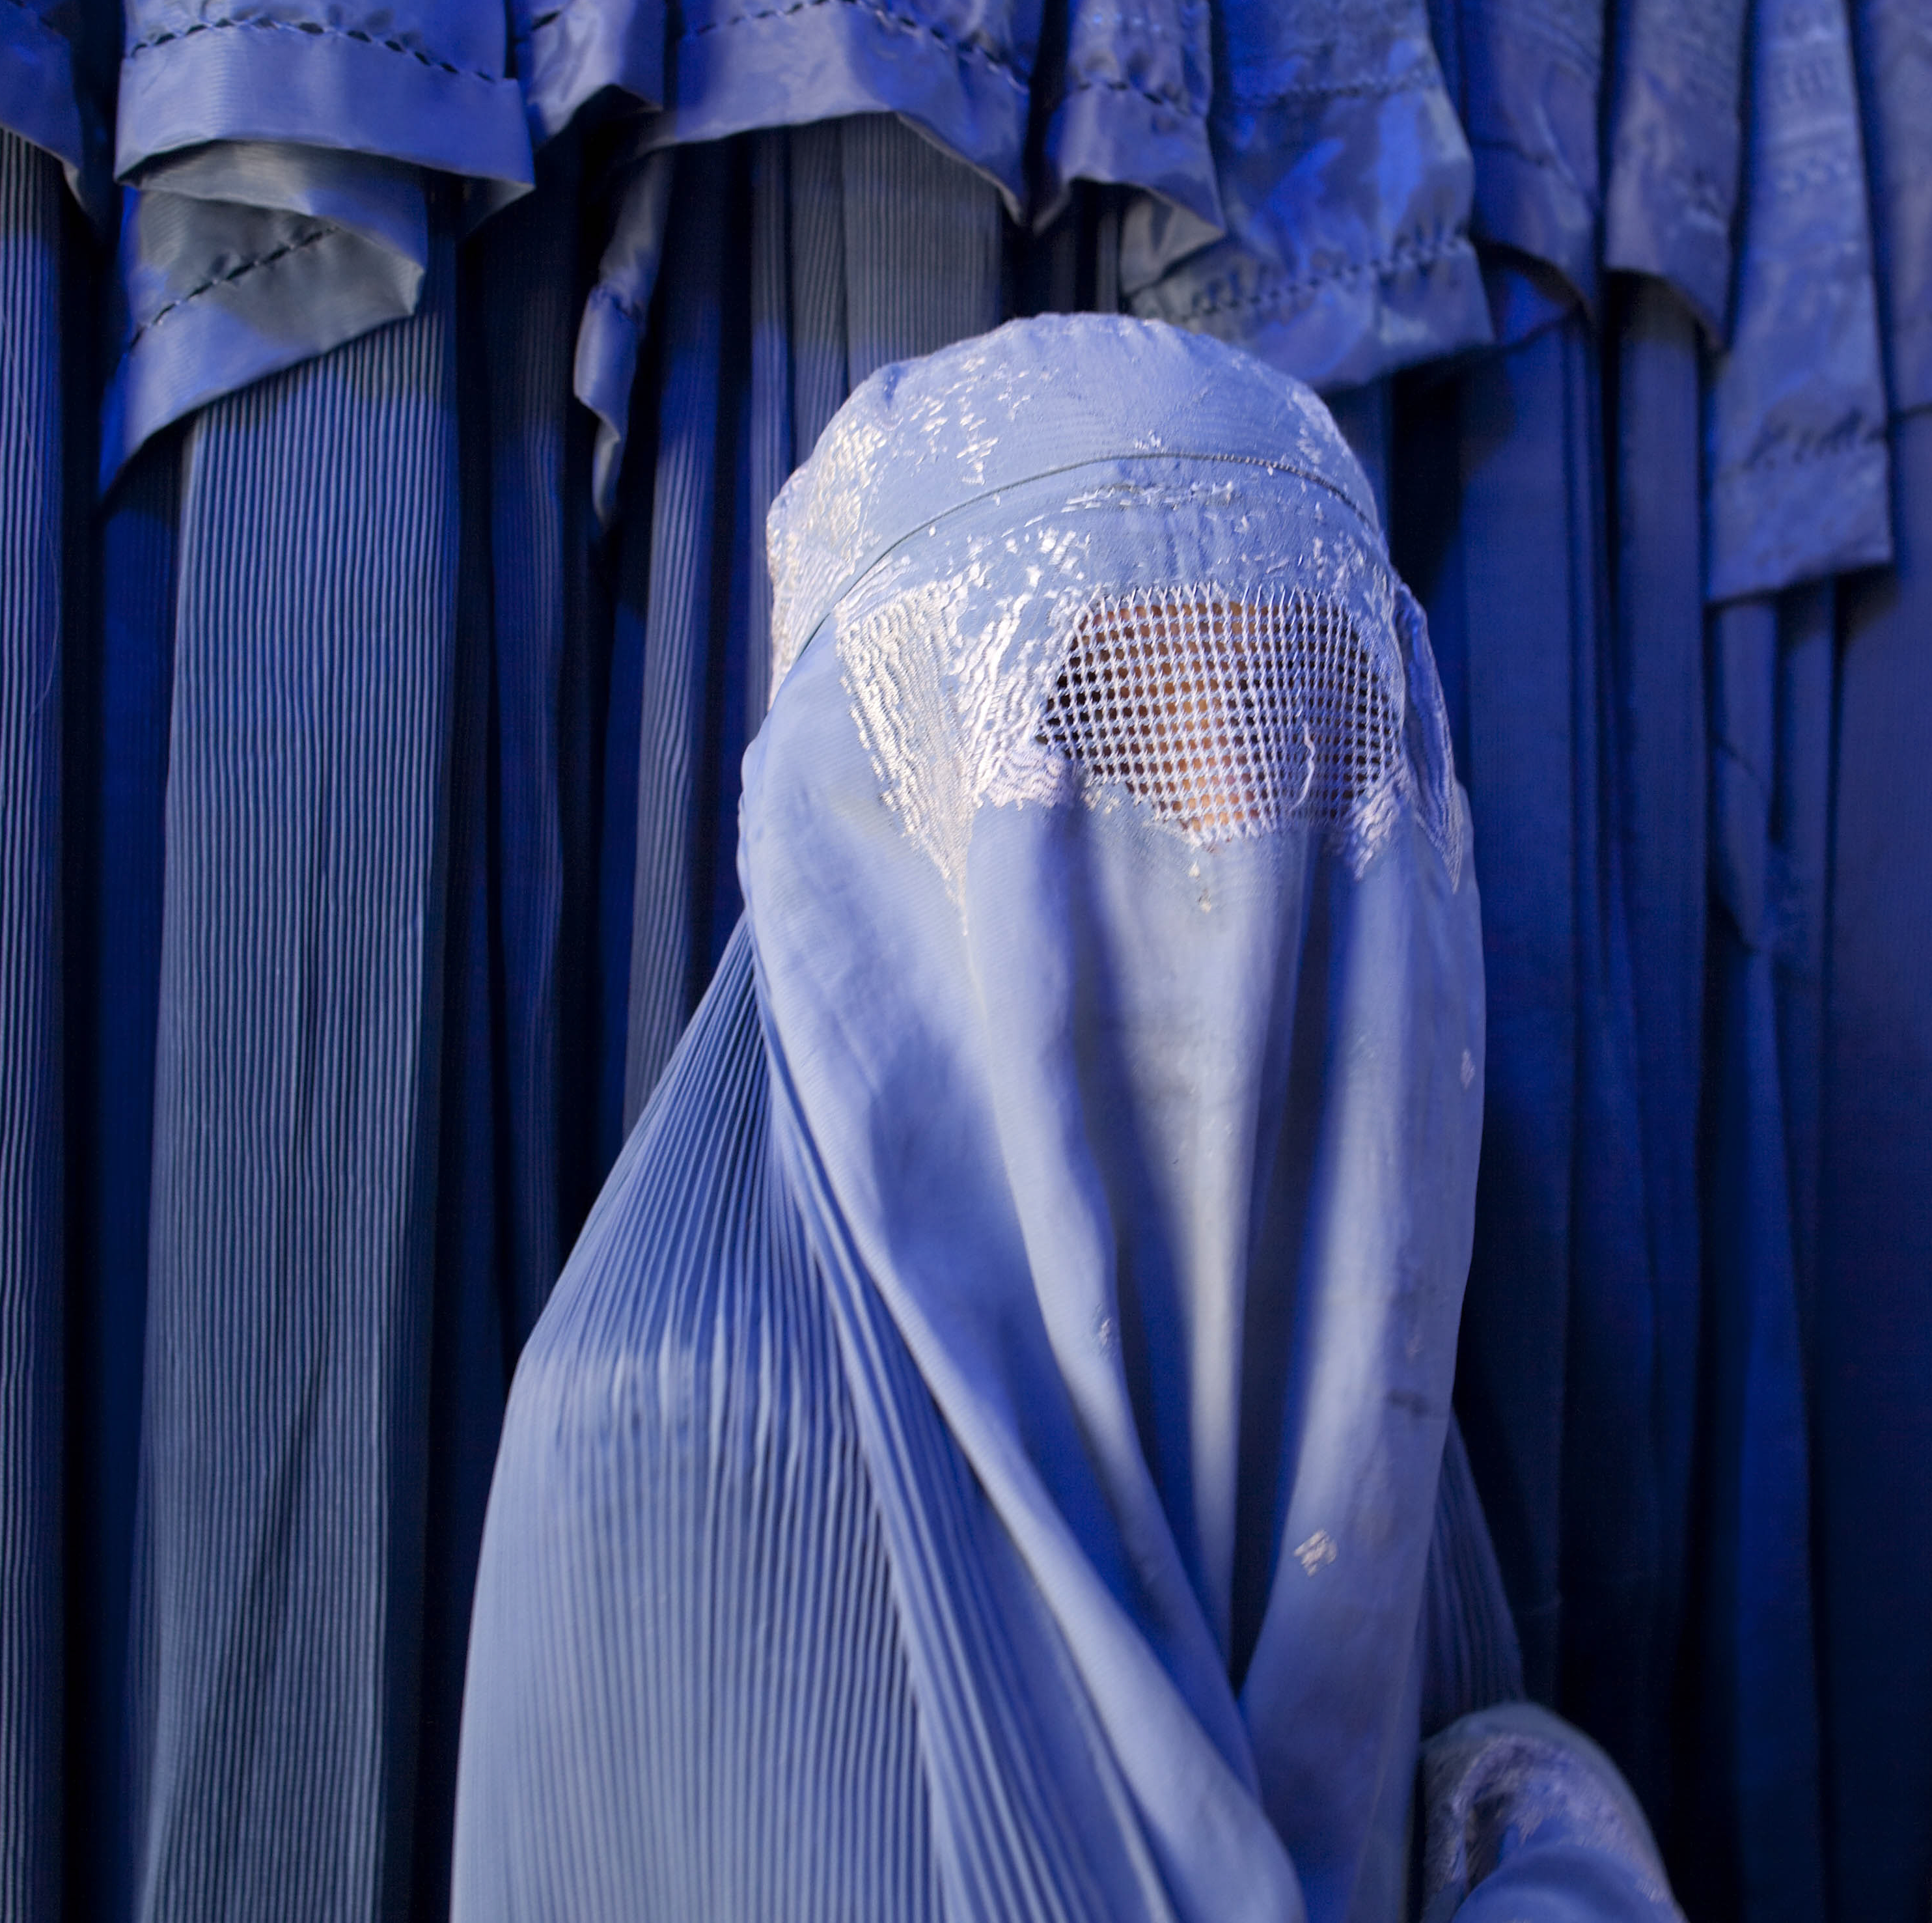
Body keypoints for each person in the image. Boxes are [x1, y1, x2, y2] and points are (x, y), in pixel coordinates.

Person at [451, 315, 1678, 1922]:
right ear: (869, 815)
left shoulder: (1350, 1342)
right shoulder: (666, 1436)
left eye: (1296, 732)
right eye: (1101, 719)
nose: (1228, 829)